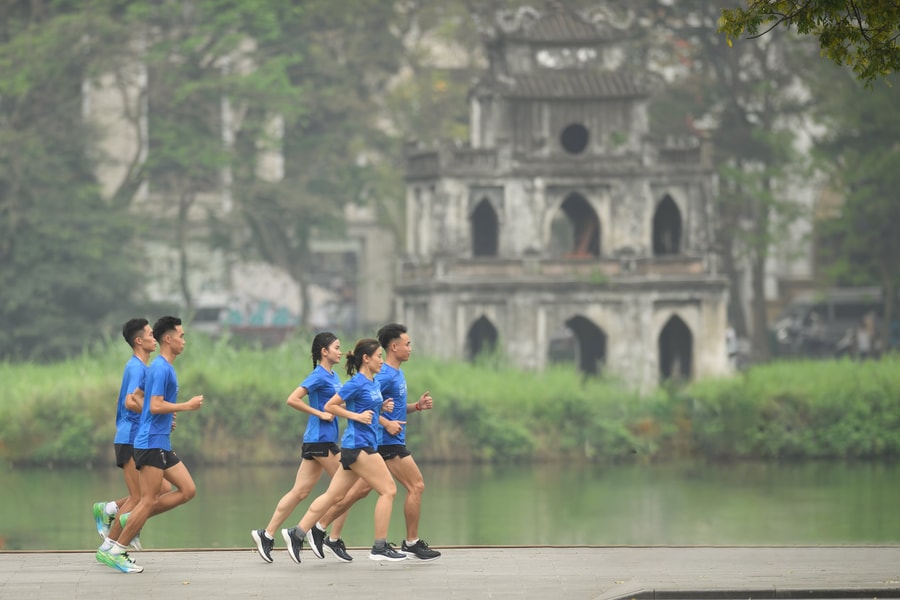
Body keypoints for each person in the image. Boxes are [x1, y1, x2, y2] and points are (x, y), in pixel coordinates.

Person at [305, 323, 441, 562]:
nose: (410, 348)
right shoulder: (384, 375)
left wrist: (416, 407)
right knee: (414, 486)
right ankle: (409, 543)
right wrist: (384, 424)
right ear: (393, 347)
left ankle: (321, 528)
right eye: (407, 344)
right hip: (383, 443)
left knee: (357, 492)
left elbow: (388, 409)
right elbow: (364, 404)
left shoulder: (395, 373)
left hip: (378, 442)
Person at [280, 338, 407, 563]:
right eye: (378, 356)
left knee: (334, 495)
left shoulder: (374, 383)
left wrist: (382, 407)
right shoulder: (356, 383)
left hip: (359, 447)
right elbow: (330, 406)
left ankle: (297, 533)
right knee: (388, 490)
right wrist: (356, 416)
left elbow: (368, 407)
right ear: (366, 359)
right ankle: (379, 546)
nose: (381, 360)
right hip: (359, 447)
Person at [96, 316, 204, 573]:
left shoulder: (159, 366)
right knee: (146, 498)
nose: (184, 341)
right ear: (169, 338)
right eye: (181, 336)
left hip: (159, 441)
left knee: (187, 490)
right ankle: (117, 549)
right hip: (149, 442)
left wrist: (167, 415)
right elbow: (152, 404)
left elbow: (138, 398)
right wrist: (185, 406)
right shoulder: (159, 368)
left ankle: (127, 520)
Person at [249, 332, 353, 563]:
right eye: (336, 347)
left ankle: (266, 535)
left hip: (319, 440)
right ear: (324, 351)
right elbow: (292, 399)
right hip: (320, 440)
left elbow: (340, 402)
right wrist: (319, 413)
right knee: (346, 487)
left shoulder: (333, 375)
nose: (340, 350)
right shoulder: (318, 375)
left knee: (300, 492)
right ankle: (325, 535)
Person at [93, 318, 173, 557]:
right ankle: (109, 545)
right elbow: (131, 401)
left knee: (163, 487)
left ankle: (113, 511)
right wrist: (157, 412)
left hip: (138, 436)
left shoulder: (141, 367)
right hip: (130, 436)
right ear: (139, 341)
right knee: (140, 496)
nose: (154, 338)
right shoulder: (137, 368)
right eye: (150, 334)